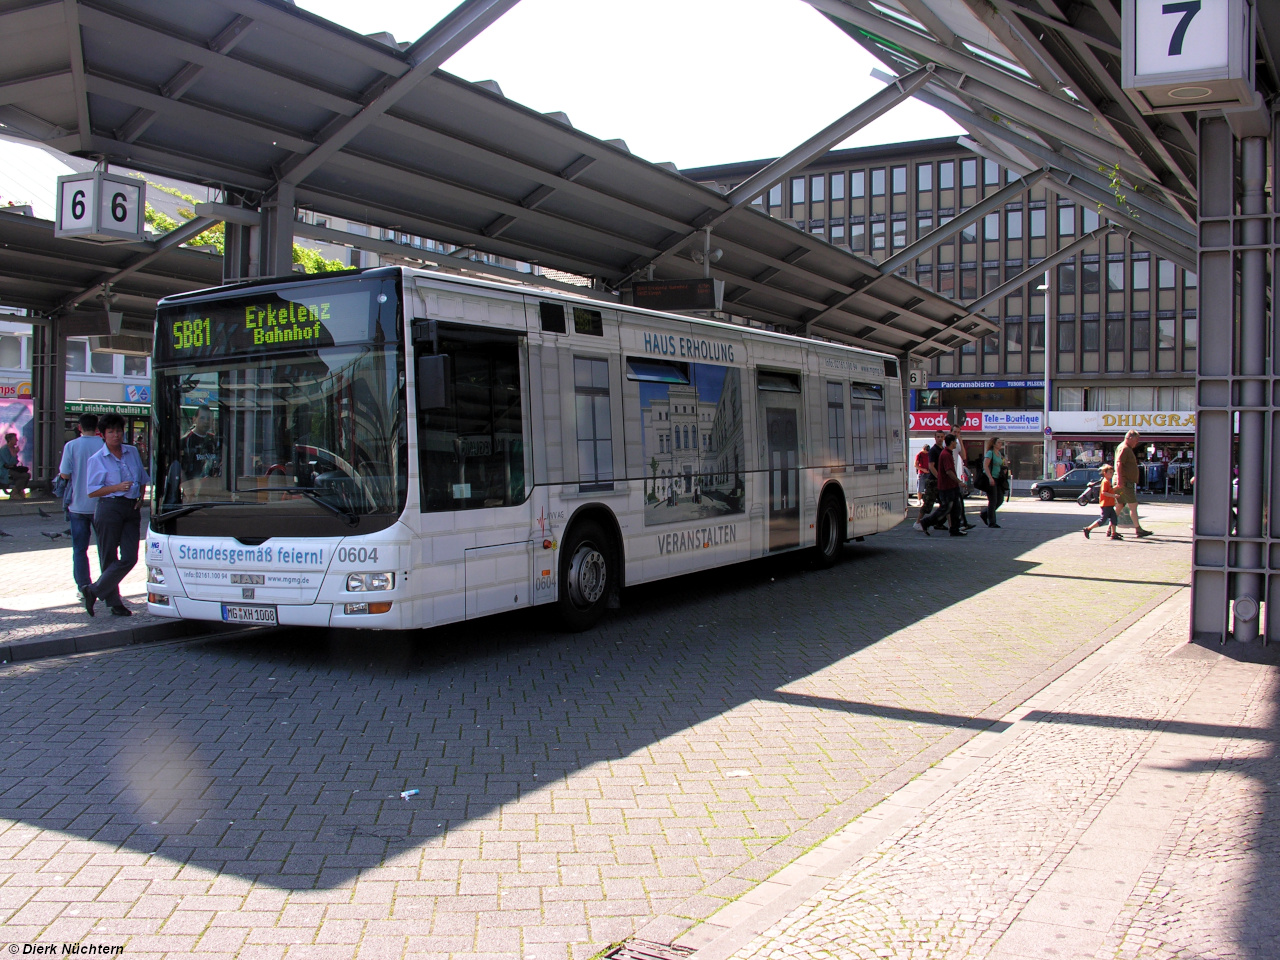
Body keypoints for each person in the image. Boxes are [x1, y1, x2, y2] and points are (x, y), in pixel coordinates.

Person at [81, 413, 150, 617]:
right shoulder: (97, 459)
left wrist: (141, 495)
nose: (116, 435)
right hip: (109, 507)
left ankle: (93, 590)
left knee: (130, 557)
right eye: (110, 432)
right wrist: (116, 487)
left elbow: (142, 476)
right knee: (108, 555)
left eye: (119, 431)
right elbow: (92, 490)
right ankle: (114, 602)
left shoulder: (132, 452)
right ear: (102, 435)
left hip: (131, 508)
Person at [58, 414, 106, 597]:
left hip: (77, 505)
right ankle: (106, 586)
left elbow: (65, 474)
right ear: (97, 428)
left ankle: (83, 586)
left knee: (79, 549)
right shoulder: (103, 445)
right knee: (105, 548)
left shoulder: (71, 446)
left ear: (79, 427)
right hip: (101, 504)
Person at [918, 433, 965, 536]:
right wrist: (959, 481)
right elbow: (948, 471)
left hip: (951, 485)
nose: (956, 443)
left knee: (955, 508)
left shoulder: (947, 453)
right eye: (955, 442)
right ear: (952, 442)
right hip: (947, 486)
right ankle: (926, 522)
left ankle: (954, 529)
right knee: (945, 508)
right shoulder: (946, 454)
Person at [1114, 429, 1152, 539]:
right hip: (1125, 482)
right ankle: (1138, 529)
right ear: (1130, 437)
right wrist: (1121, 480)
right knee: (1133, 505)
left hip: (1123, 481)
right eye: (1136, 439)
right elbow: (1119, 463)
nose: (1137, 442)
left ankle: (1111, 529)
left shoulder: (1125, 447)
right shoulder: (1125, 448)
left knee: (1120, 505)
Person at [913, 429, 945, 531]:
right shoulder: (933, 450)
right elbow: (931, 466)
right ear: (935, 438)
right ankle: (918, 522)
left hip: (940, 481)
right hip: (933, 481)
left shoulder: (943, 450)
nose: (940, 439)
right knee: (927, 503)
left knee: (945, 503)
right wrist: (939, 477)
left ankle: (948, 524)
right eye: (938, 437)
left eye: (941, 437)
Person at [1083, 463, 1122, 540]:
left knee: (1114, 518)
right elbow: (1104, 492)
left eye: (1112, 472)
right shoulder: (1105, 482)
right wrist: (1114, 496)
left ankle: (1114, 534)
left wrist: (1116, 489)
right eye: (1110, 472)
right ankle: (1088, 529)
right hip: (1106, 504)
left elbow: (1109, 491)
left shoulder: (1108, 481)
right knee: (1103, 520)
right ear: (1105, 473)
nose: (1111, 474)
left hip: (1110, 504)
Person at [180, 405, 219, 478]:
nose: (206, 421)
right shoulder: (186, 440)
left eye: (208, 419)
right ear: (194, 419)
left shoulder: (214, 440)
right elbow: (180, 469)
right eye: (202, 418)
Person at [979, 436, 1006, 528]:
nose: (1000, 444)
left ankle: (985, 513)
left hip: (998, 479)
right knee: (993, 501)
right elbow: (985, 466)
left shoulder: (998, 453)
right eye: (998, 442)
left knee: (1000, 499)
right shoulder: (990, 453)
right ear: (994, 444)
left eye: (1000, 442)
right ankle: (992, 522)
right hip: (990, 479)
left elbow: (1000, 465)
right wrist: (990, 478)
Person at [0, 431, 29, 499]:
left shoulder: (12, 449)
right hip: (4, 471)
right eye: (15, 439)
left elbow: (15, 462)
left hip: (11, 469)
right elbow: (9, 462)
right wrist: (15, 453)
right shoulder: (4, 450)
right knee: (23, 476)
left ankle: (17, 490)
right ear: (10, 440)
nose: (17, 440)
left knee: (27, 475)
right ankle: (15, 492)